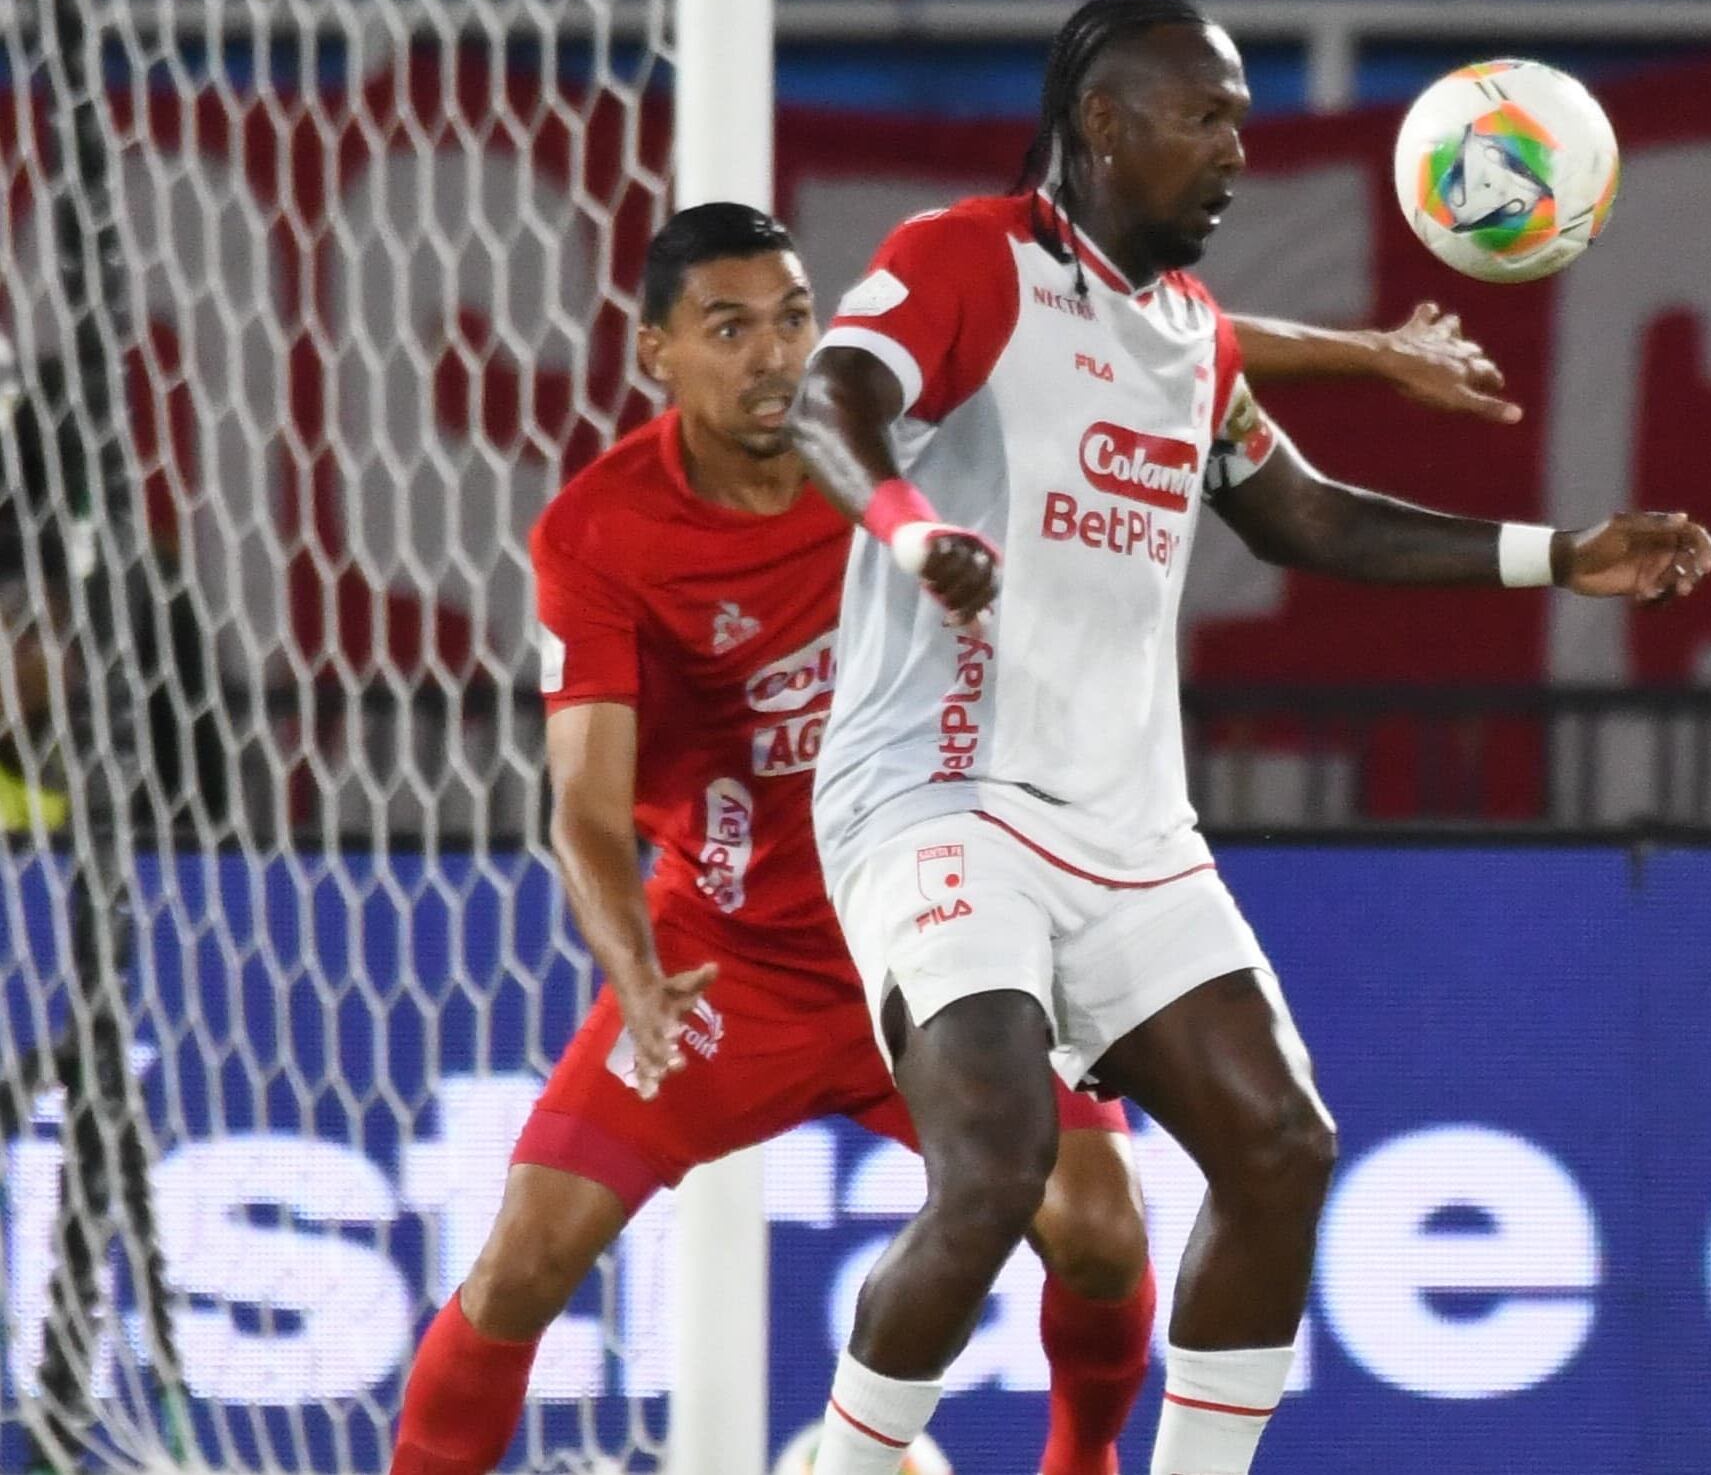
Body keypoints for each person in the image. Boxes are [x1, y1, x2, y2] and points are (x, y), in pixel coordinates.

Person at [388, 201, 1523, 1475]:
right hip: (732, 963)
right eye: (728, 329)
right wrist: (638, 972)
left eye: (793, 318)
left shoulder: (893, 425)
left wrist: (1369, 352)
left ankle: (1078, 1462)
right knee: (523, 1260)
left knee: (1100, 1230)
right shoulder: (600, 533)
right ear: (656, 350)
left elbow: (1133, 337)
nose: (774, 356)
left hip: (950, 923)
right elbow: (586, 808)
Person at [786, 0, 1711, 1475]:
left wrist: (1564, 553)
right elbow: (826, 396)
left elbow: (1299, 515)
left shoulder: (1188, 336)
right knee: (997, 1168)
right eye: (1205, 117)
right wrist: (904, 527)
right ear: (1102, 123)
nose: (1235, 150)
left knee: (1280, 1146)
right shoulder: (966, 256)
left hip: (1122, 818)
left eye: (1239, 120)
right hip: (938, 790)